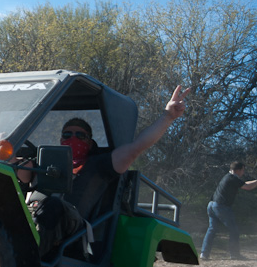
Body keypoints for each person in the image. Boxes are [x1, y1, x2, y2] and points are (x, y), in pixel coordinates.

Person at [21, 85, 191, 254]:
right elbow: (17, 171)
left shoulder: (99, 166)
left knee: (53, 205)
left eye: (79, 135)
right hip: (34, 217)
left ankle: (31, 261)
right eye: (67, 135)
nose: (72, 138)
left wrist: (167, 116)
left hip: (73, 229)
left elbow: (136, 148)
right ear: (60, 139)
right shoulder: (42, 162)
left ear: (89, 141)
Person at [200, 162, 257, 261]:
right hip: (221, 206)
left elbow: (245, 184)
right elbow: (248, 187)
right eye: (243, 170)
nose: (243, 172)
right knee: (234, 230)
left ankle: (204, 254)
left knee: (212, 229)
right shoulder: (232, 178)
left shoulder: (229, 177)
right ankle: (235, 254)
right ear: (238, 170)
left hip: (212, 205)